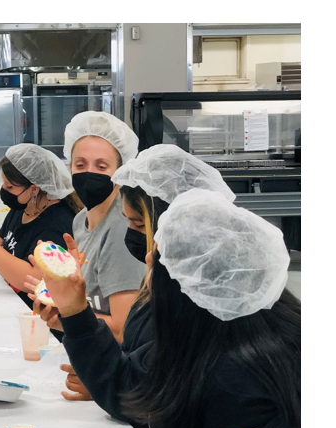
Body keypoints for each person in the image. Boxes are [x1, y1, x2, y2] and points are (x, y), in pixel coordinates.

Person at [31, 189, 300, 428]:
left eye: (159, 254)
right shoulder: (218, 338)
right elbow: (128, 387)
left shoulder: (238, 380)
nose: (147, 258)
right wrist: (74, 310)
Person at [28, 144, 236, 402]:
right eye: (79, 164)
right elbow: (139, 364)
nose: (147, 257)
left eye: (138, 224)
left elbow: (165, 392)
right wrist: (74, 320)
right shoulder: (163, 286)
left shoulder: (197, 305)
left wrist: (108, 382)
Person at [0, 143, 81, 309]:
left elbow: (34, 279)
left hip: (35, 313)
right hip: (11, 299)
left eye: (10, 186)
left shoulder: (56, 223)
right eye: (3, 183)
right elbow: (5, 241)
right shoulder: (24, 206)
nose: (4, 189)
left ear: (34, 189)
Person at [61, 111, 145, 342]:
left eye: (101, 167)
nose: (89, 173)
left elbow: (123, 330)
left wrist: (65, 317)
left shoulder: (120, 229)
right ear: (70, 167)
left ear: (119, 172)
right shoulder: (81, 220)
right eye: (80, 164)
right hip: (92, 347)